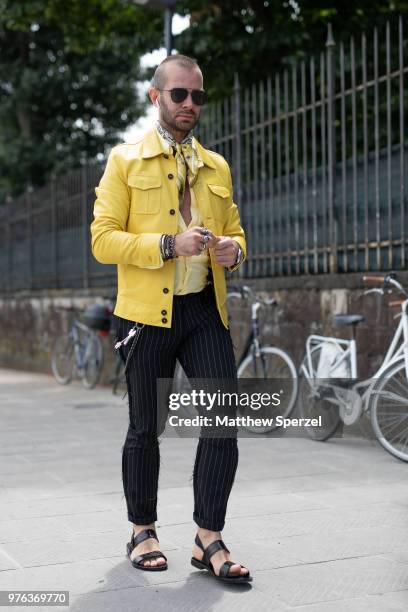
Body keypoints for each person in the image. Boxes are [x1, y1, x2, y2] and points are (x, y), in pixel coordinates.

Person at [91, 54, 252, 584]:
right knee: (146, 427)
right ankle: (143, 530)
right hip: (145, 314)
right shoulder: (124, 160)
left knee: (222, 421)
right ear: (155, 97)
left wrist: (234, 250)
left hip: (204, 308)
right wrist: (167, 243)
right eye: (179, 94)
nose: (189, 105)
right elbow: (102, 239)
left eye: (197, 96)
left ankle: (209, 538)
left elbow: (236, 232)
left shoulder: (216, 166)